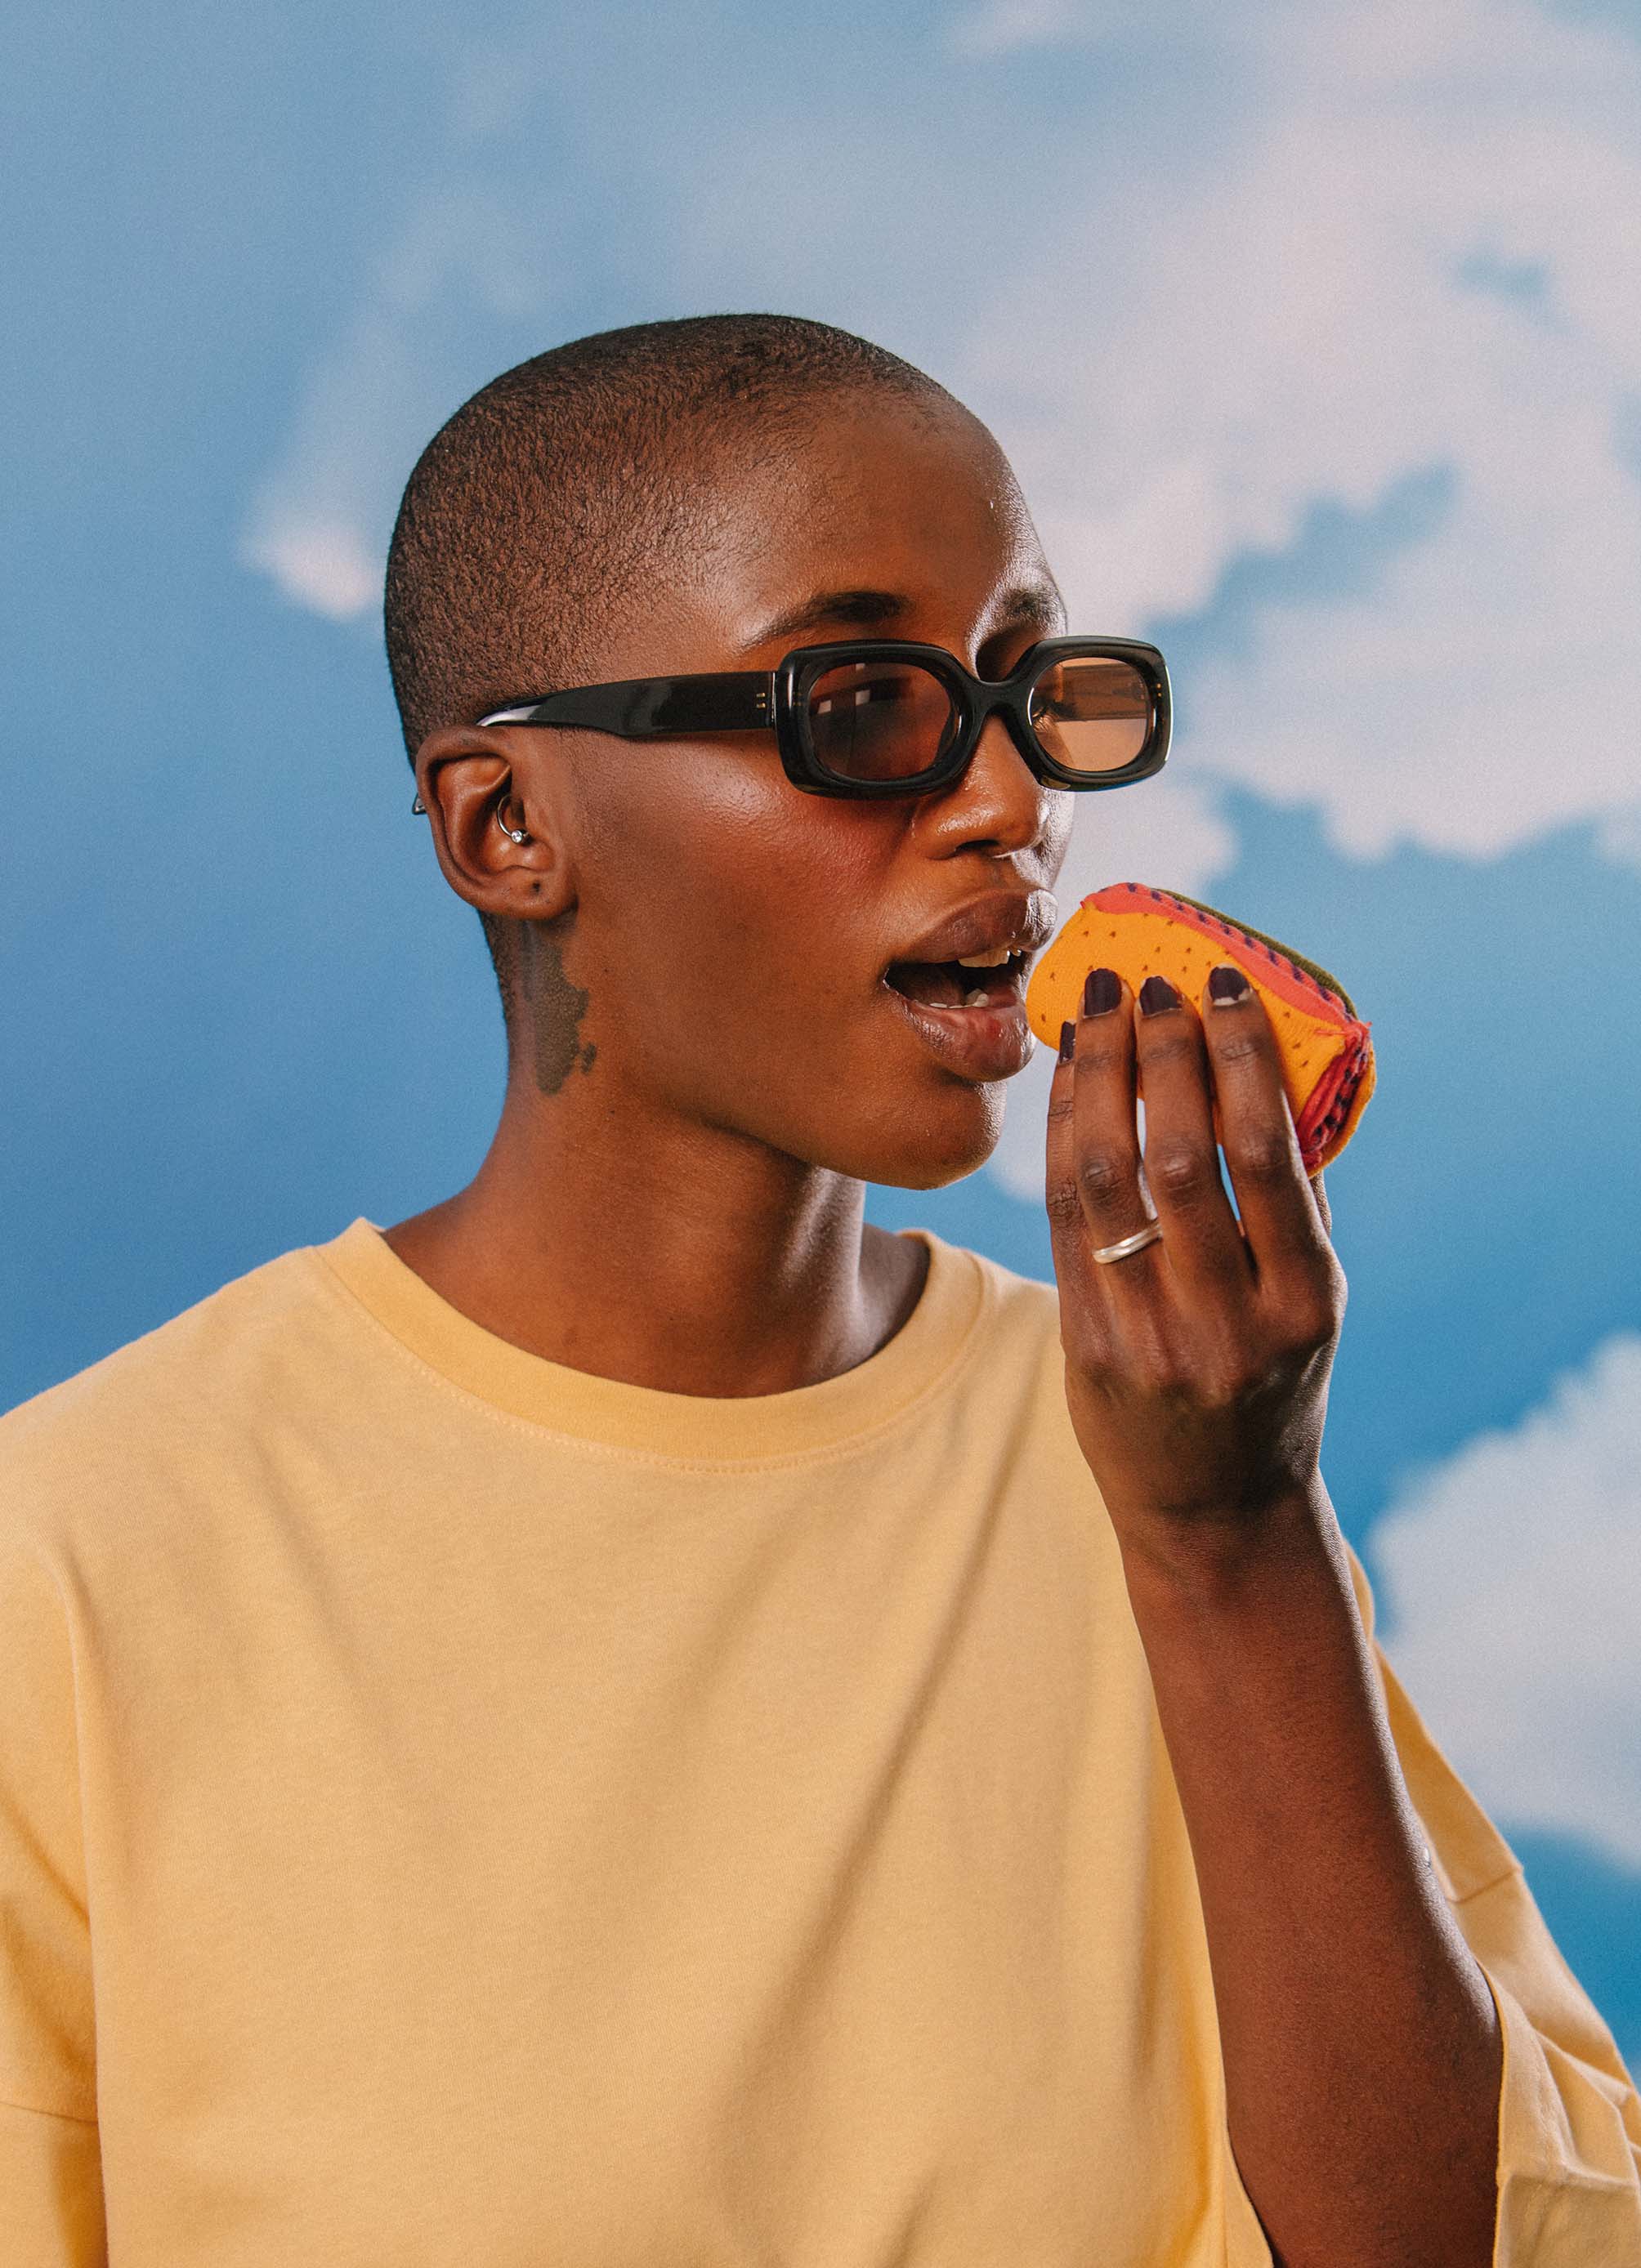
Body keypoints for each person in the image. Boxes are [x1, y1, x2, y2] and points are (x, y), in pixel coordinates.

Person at [2, 314, 1636, 2268]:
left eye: (1036, 695)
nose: (1007, 804)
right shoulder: (80, 1560)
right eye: (861, 707)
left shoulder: (1165, 1446)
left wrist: (1230, 1538)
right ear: (505, 829)